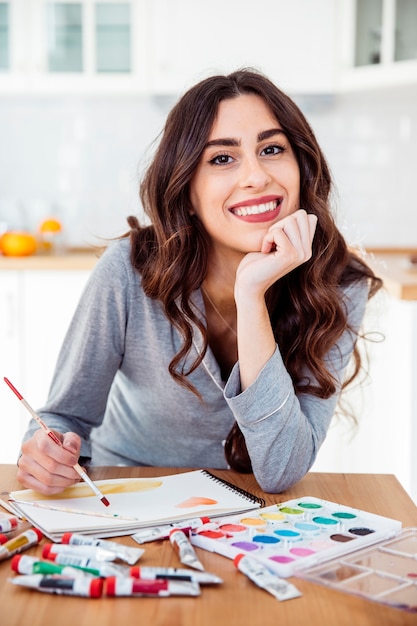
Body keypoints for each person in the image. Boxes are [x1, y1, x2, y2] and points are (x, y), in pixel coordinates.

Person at [18, 68, 382, 496]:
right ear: (186, 192)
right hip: (126, 496)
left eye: (271, 149)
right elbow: (64, 418)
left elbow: (282, 469)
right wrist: (45, 453)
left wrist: (252, 297)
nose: (256, 176)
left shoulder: (339, 284)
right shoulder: (129, 270)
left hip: (250, 510)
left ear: (301, 167)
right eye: (222, 158)